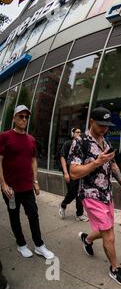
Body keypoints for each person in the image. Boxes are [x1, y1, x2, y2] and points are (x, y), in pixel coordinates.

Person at [68, 107, 121, 287]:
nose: (104, 129)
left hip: (107, 193)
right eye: (101, 125)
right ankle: (114, 269)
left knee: (106, 228)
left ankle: (87, 239)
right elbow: (73, 172)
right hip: (91, 194)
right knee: (109, 235)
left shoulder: (105, 141)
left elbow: (113, 165)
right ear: (92, 121)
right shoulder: (80, 142)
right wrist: (97, 162)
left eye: (107, 125)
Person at [0, 105, 54, 259]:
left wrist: (35, 181)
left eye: (26, 117)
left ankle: (39, 245)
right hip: (10, 188)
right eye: (20, 116)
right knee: (14, 216)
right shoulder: (5, 136)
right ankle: (21, 244)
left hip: (27, 187)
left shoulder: (31, 139)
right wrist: (3, 184)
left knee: (33, 215)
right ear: (14, 118)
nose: (24, 119)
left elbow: (33, 161)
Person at [58, 127, 88, 222]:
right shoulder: (68, 143)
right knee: (72, 192)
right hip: (69, 172)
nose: (79, 133)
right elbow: (62, 157)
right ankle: (63, 205)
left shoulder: (82, 144)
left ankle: (79, 214)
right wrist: (66, 173)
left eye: (80, 132)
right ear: (72, 134)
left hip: (80, 171)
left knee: (80, 193)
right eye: (76, 132)